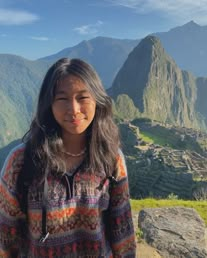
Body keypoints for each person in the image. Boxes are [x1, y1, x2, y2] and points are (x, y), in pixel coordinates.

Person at [0, 58, 136, 257]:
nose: (74, 109)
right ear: (49, 104)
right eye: (62, 99)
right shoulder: (21, 162)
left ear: (97, 100)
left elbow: (123, 234)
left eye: (82, 97)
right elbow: (5, 237)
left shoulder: (111, 159)